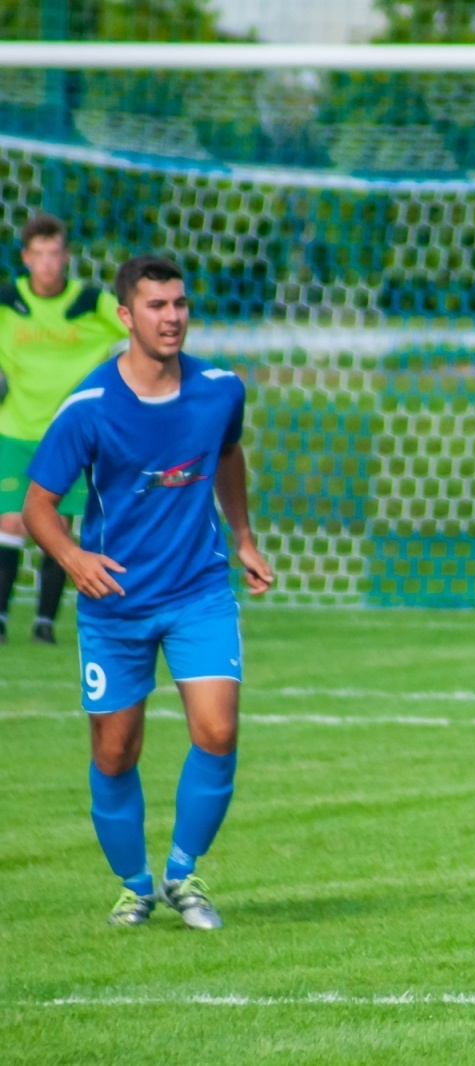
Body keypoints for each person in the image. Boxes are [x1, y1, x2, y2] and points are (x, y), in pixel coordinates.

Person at [23, 256, 273, 929]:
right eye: (157, 307)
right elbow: (39, 503)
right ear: (126, 316)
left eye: (180, 305)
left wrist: (243, 535)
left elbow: (227, 454)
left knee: (218, 731)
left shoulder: (221, 390)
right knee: (114, 751)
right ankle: (134, 885)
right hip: (116, 605)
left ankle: (184, 876)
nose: (172, 318)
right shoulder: (90, 407)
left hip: (198, 591)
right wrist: (74, 558)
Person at [0, 213, 126, 644]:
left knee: (58, 527)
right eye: (39, 255)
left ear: (66, 257)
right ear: (26, 258)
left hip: (72, 436)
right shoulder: (7, 301)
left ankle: (44, 624)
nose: (48, 263)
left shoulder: (89, 302)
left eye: (55, 254)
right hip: (15, 430)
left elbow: (138, 325)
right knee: (11, 522)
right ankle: (0, 619)